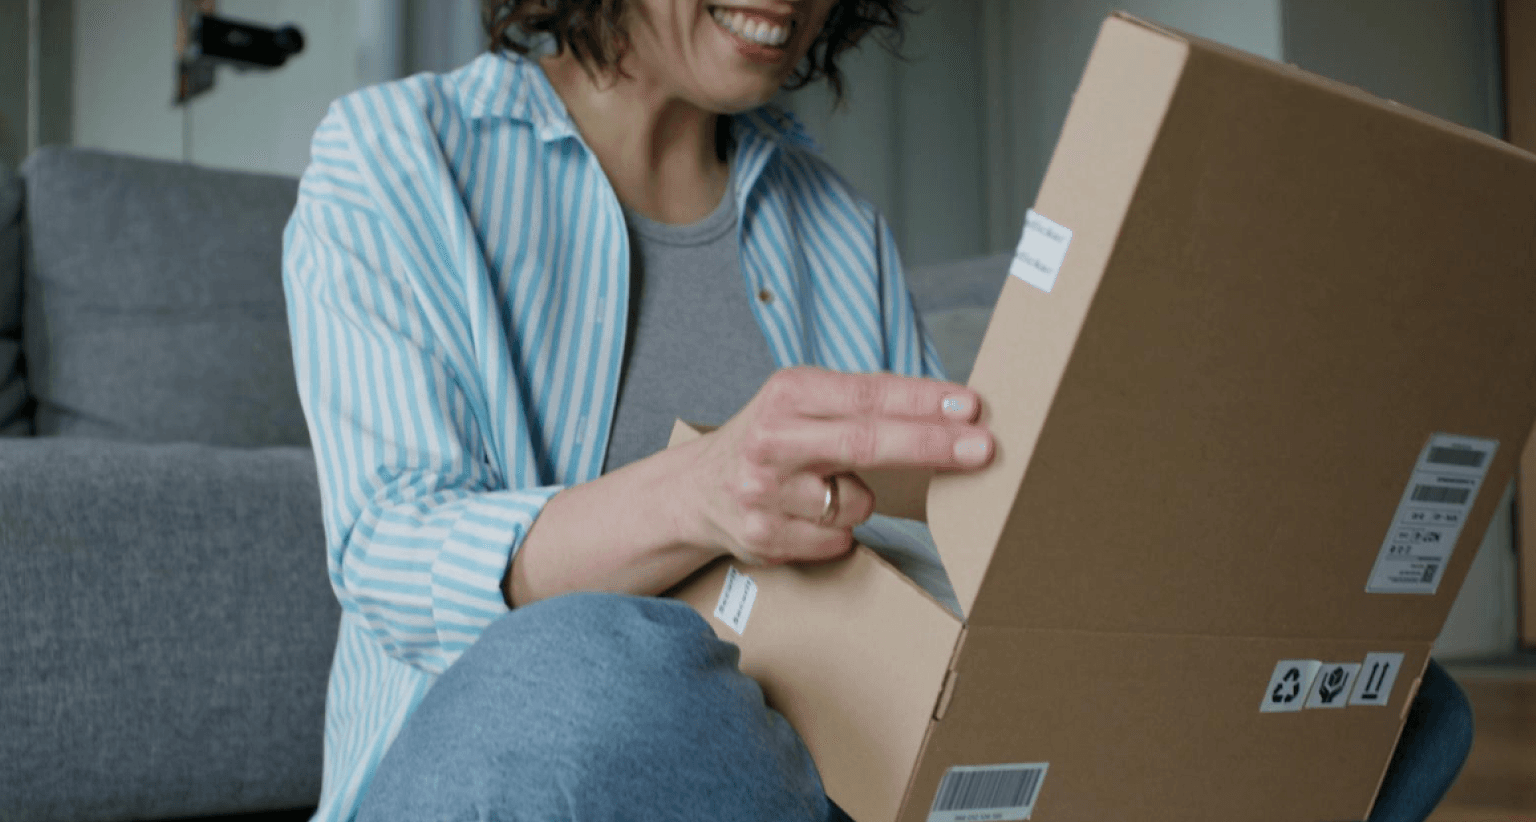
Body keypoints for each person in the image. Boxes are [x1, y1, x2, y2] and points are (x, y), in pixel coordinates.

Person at [280, 1, 1474, 819]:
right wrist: (702, 495)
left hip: (832, 780)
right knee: (591, 664)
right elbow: (387, 554)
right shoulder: (397, 157)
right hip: (529, 763)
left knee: (1395, 705)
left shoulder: (835, 226)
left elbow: (937, 555)